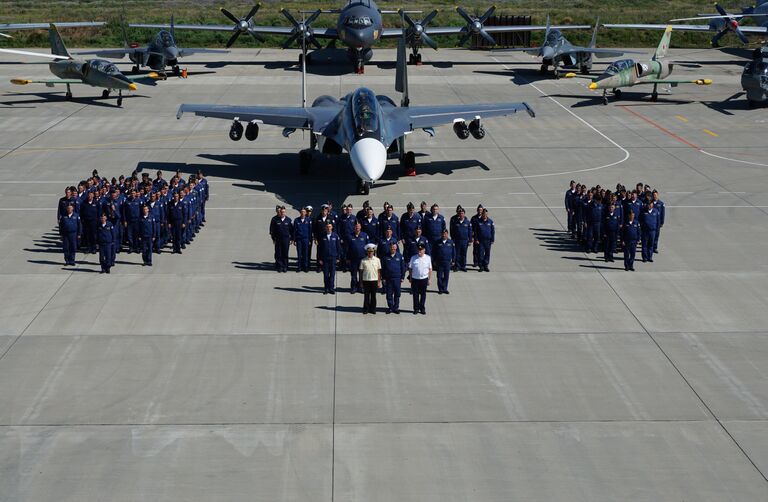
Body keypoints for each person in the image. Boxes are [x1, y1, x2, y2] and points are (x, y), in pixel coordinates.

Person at [407, 242, 432, 315]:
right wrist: (410, 278)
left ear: (424, 250)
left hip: (424, 279)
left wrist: (429, 279)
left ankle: (422, 308)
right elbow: (410, 269)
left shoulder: (428, 258)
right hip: (415, 279)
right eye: (419, 249)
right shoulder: (413, 258)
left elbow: (430, 269)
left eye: (421, 250)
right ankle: (416, 309)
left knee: (423, 294)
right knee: (415, 295)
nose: (420, 251)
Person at [381, 241, 405, 314]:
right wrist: (383, 278)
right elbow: (383, 268)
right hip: (388, 279)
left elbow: (402, 267)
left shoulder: (400, 256)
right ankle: (390, 307)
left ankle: (396, 308)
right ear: (390, 248)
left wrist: (402, 277)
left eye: (394, 248)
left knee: (397, 294)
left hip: (397, 278)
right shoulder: (385, 257)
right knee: (389, 294)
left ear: (396, 248)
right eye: (392, 247)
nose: (393, 249)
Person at [318, 222, 341, 294]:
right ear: (325, 228)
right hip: (325, 258)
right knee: (325, 274)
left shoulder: (335, 236)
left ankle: (331, 288)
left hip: (333, 258)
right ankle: (326, 288)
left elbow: (338, 247)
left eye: (330, 227)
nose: (328, 228)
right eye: (327, 227)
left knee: (332, 274)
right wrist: (320, 259)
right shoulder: (322, 236)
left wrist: (338, 258)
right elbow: (319, 248)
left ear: (332, 228)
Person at [346, 222, 369, 293]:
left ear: (360, 227)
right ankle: (354, 287)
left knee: (362, 274)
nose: (357, 228)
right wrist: (347, 258)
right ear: (354, 228)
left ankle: (361, 287)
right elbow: (347, 248)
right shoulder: (350, 236)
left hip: (363, 259)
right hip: (353, 259)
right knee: (353, 275)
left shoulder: (364, 235)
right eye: (356, 227)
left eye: (358, 227)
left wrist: (368, 257)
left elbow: (368, 247)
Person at [269, 206, 293, 272]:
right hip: (278, 240)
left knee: (285, 253)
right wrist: (273, 239)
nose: (282, 213)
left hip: (286, 240)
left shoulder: (288, 220)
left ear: (285, 212)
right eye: (281, 212)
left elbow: (292, 230)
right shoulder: (275, 220)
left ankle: (285, 266)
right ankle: (280, 266)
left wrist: (291, 239)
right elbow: (272, 230)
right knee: (279, 254)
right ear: (280, 212)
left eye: (284, 212)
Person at [359, 243, 382, 314]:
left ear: (374, 252)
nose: (370, 253)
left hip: (374, 280)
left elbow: (378, 271)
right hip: (366, 280)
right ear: (367, 252)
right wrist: (361, 282)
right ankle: (366, 309)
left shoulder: (377, 260)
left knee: (373, 296)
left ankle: (373, 309)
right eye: (369, 252)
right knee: (366, 296)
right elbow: (361, 272)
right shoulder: (363, 260)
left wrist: (379, 281)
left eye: (371, 252)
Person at [433, 228, 456, 294]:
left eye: (445, 234)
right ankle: (440, 289)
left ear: (447, 234)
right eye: (443, 234)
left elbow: (454, 252)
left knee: (446, 276)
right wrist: (434, 260)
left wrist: (453, 260)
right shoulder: (437, 242)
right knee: (439, 276)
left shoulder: (451, 242)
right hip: (439, 262)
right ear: (441, 234)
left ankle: (445, 288)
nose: (444, 235)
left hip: (447, 262)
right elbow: (434, 252)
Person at [450, 206, 472, 271]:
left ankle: (463, 266)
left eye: (462, 213)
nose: (461, 214)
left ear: (464, 214)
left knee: (464, 254)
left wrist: (470, 240)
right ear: (458, 214)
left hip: (465, 241)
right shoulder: (455, 222)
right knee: (457, 254)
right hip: (457, 240)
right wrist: (453, 239)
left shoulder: (467, 222)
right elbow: (452, 230)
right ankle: (457, 266)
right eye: (460, 213)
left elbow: (470, 231)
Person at [338, 204, 357, 272]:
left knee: (351, 253)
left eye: (350, 209)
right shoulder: (342, 218)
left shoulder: (354, 218)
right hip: (344, 239)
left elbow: (356, 228)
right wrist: (340, 238)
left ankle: (350, 266)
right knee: (344, 253)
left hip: (352, 239)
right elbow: (339, 228)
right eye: (347, 209)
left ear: (351, 210)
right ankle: (344, 266)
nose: (349, 211)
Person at [293, 207, 313, 272]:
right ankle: (299, 267)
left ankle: (305, 267)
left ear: (305, 213)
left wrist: (310, 240)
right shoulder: (296, 220)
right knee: (299, 254)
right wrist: (294, 240)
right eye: (301, 212)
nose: (303, 213)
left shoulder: (308, 220)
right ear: (300, 212)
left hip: (306, 239)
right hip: (299, 240)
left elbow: (310, 231)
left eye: (304, 212)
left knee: (305, 254)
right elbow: (294, 231)